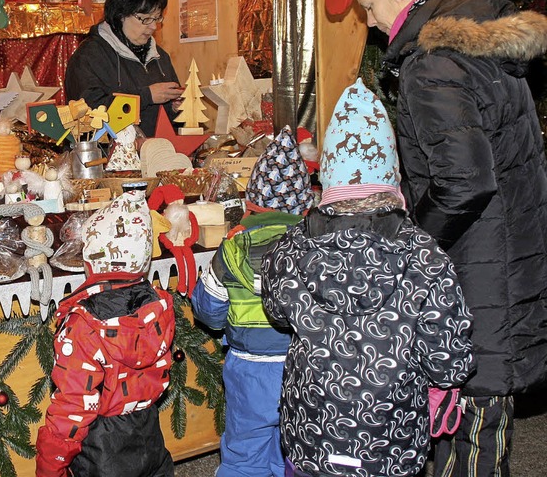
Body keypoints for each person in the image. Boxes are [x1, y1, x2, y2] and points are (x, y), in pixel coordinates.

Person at [348, 0, 547, 477]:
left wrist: (414, 243)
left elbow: (463, 182)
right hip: (505, 246)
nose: (367, 22)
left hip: (483, 264)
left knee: (474, 430)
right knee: (481, 422)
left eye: (367, 7)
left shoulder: (430, 65)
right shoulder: (472, 47)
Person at [261, 79, 476, 477]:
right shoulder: (425, 255)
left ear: (327, 176)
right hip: (391, 440)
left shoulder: (293, 245)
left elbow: (275, 311)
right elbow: (449, 360)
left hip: (310, 432)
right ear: (392, 174)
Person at [191, 126, 315, 477]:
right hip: (304, 365)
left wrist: (219, 325)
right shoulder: (313, 249)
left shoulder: (232, 248)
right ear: (305, 205)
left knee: (246, 443)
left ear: (252, 204)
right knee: (297, 443)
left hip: (249, 366)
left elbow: (208, 307)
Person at [35, 187, 175, 477]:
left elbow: (72, 407)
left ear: (91, 263)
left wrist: (51, 466)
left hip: (102, 450)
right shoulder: (159, 307)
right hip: (148, 432)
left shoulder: (83, 326)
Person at [65, 0, 183, 137]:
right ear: (121, 14)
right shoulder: (90, 55)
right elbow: (87, 113)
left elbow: (172, 122)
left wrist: (176, 109)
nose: (153, 27)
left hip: (156, 156)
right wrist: (145, 96)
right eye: (145, 19)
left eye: (157, 18)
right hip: (107, 158)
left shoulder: (160, 57)